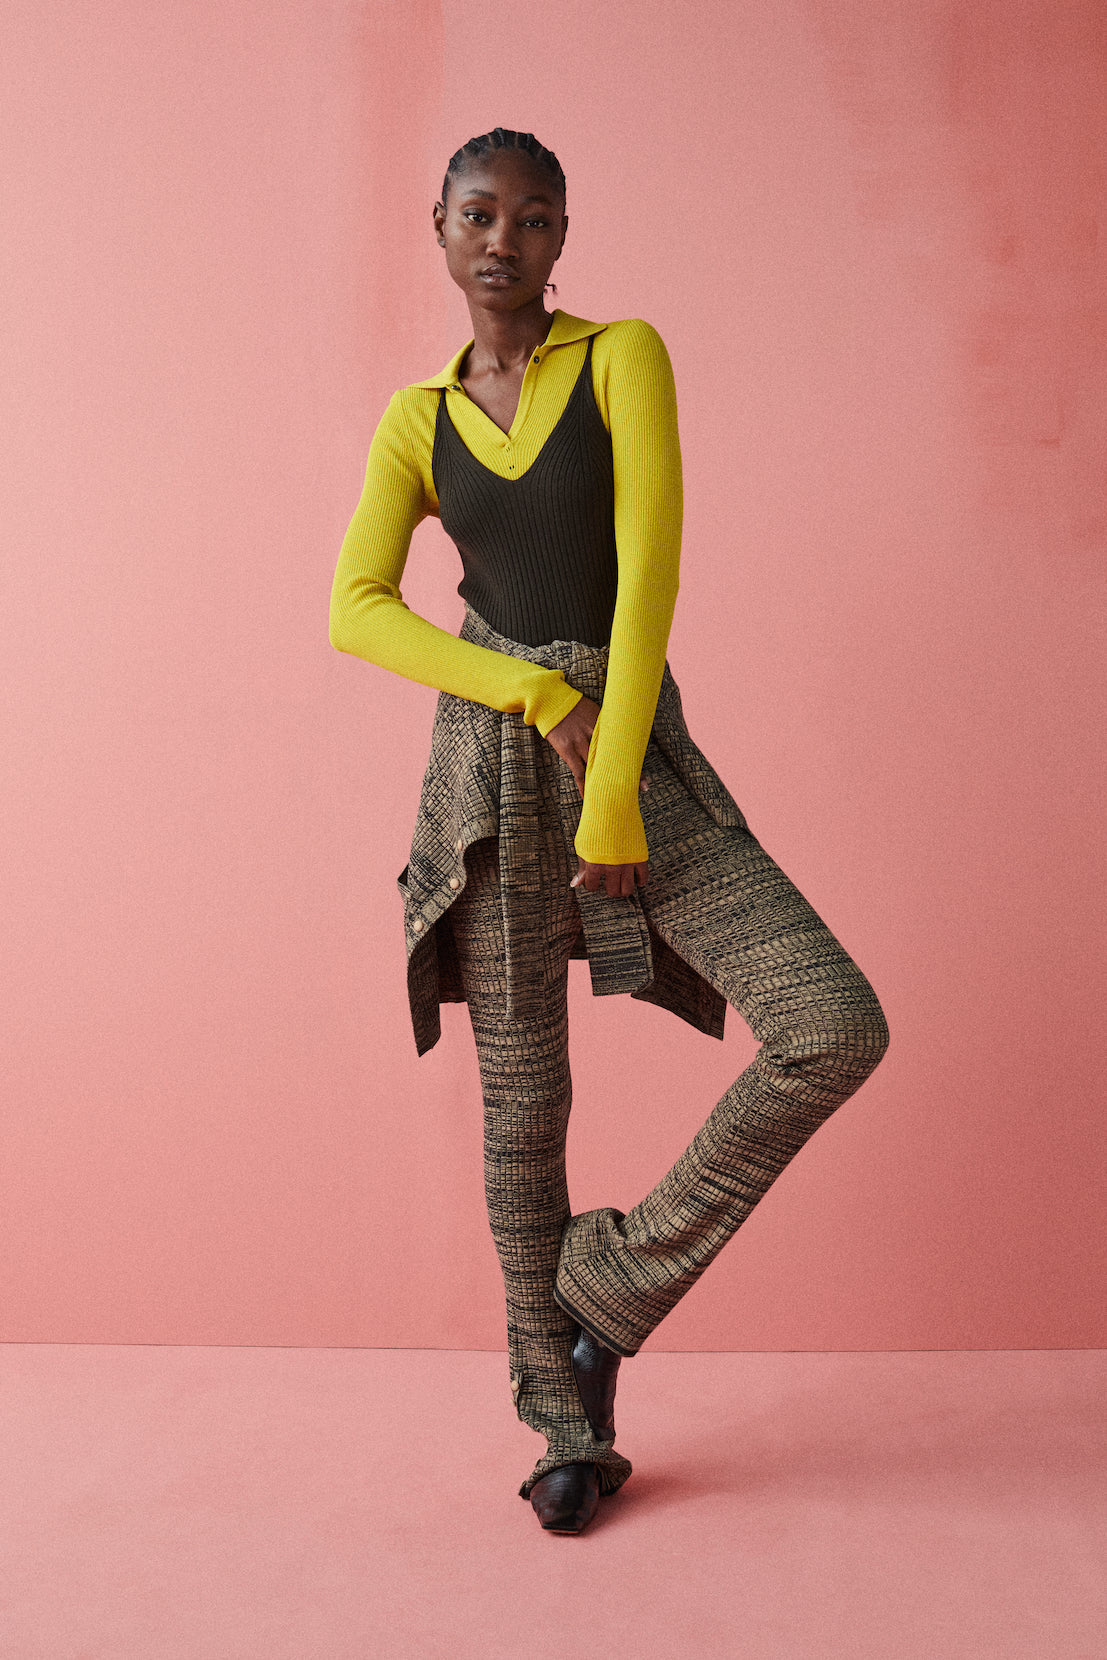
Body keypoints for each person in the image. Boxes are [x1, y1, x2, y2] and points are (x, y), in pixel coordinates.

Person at [329, 127, 890, 1535]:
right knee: (523, 1110)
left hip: (631, 754)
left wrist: (619, 785)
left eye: (532, 217)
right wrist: (525, 688)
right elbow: (355, 608)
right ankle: (560, 1422)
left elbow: (650, 582)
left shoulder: (622, 358)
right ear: (439, 228)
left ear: (563, 238)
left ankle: (614, 1281)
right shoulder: (414, 419)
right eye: (477, 215)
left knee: (830, 1022)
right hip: (486, 776)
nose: (501, 240)